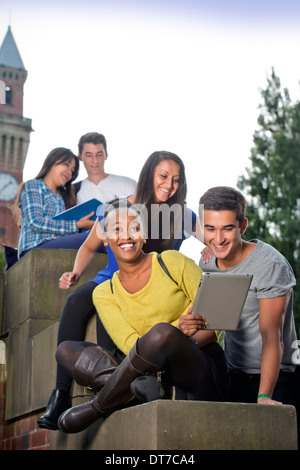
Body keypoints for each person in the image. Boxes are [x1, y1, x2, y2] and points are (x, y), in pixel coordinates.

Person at [38, 150, 206, 430]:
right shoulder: (118, 208)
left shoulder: (182, 216)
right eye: (163, 176)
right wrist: (76, 272)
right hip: (111, 279)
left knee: (114, 322)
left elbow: (212, 236)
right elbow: (90, 245)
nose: (169, 184)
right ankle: (60, 396)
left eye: (177, 179)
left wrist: (212, 250)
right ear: (149, 175)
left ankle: (115, 392)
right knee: (77, 302)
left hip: (155, 287)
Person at [56, 198, 229, 434]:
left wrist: (177, 337)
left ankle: (99, 405)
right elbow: (130, 344)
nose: (126, 236)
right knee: (65, 350)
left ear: (144, 235)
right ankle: (141, 388)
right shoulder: (105, 292)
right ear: (105, 239)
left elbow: (218, 314)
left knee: (161, 332)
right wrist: (180, 324)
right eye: (117, 229)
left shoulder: (171, 262)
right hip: (146, 369)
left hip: (194, 362)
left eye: (134, 228)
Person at [193, 186, 300, 441]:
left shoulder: (269, 265)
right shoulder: (207, 263)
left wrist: (264, 396)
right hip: (233, 375)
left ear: (242, 226)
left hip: (277, 379)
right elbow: (214, 324)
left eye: (227, 228)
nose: (218, 239)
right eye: (210, 229)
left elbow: (272, 336)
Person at [15, 147, 97, 260]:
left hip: (56, 244)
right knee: (96, 240)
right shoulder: (34, 185)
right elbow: (35, 222)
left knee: (102, 237)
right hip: (34, 246)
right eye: (67, 165)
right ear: (52, 161)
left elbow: (64, 229)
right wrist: (77, 225)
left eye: (72, 171)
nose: (69, 172)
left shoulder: (62, 198)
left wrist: (85, 225)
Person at [74, 132, 137, 204]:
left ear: (106, 155)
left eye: (99, 154)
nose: (95, 160)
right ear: (80, 156)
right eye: (88, 155)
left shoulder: (128, 185)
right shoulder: (73, 192)